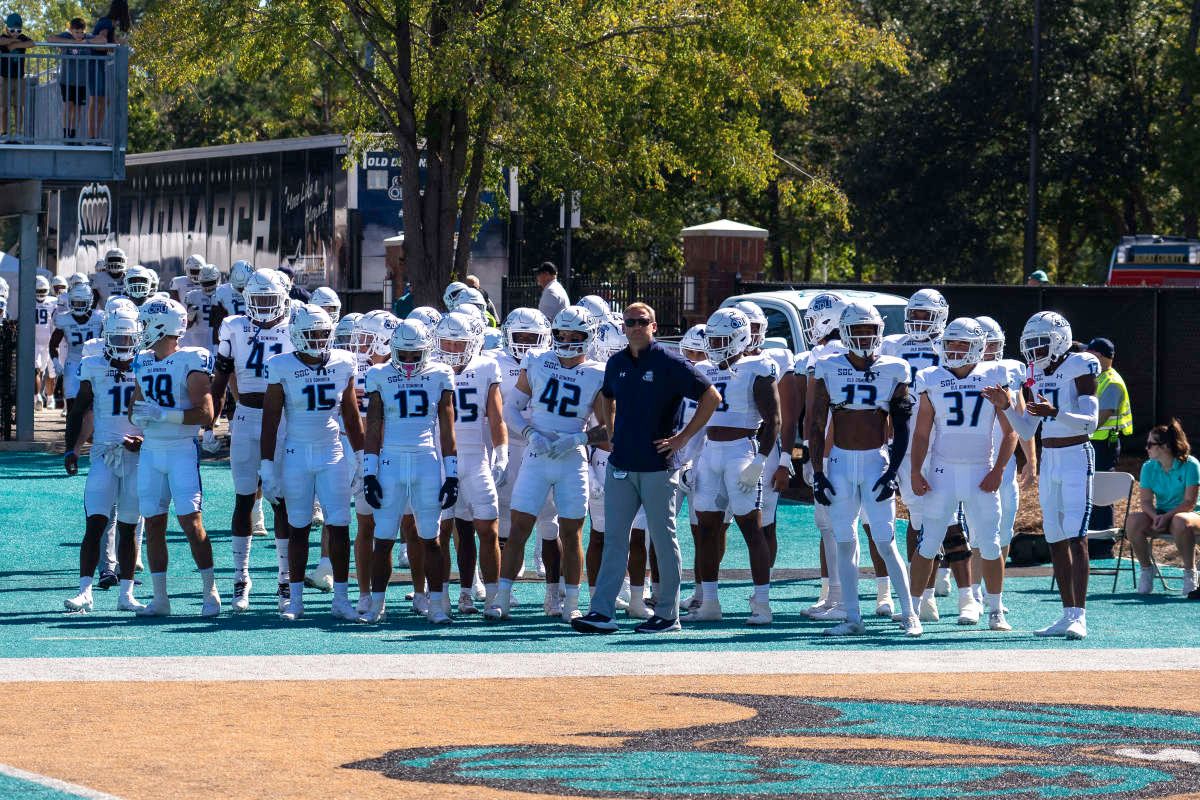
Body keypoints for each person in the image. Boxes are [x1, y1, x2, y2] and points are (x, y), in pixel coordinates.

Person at [572, 302, 720, 634]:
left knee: (663, 540)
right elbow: (605, 396)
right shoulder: (616, 362)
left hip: (657, 465)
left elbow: (711, 396)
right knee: (614, 538)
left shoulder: (669, 361)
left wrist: (682, 439)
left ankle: (668, 614)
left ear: (654, 326)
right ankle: (603, 611)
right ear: (622, 327)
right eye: (630, 322)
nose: (636, 327)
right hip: (622, 463)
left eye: (642, 322)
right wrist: (611, 434)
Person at [484, 305, 607, 623]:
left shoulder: (597, 372)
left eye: (574, 335)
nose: (566, 340)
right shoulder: (537, 361)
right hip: (536, 456)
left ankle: (571, 602)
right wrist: (528, 432)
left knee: (571, 532)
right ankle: (502, 598)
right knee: (519, 528)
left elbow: (609, 428)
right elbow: (511, 409)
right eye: (561, 334)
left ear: (588, 336)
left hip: (571, 460)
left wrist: (578, 439)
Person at [982, 311, 1099, 640]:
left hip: (1077, 454)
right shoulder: (1032, 374)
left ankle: (1080, 616)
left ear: (1060, 339)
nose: (1034, 350)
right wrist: (1007, 406)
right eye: (1029, 344)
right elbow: (1027, 428)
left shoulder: (1081, 363)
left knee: (1077, 534)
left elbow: (1091, 421)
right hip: (1051, 458)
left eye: (1040, 342)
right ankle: (1066, 613)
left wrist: (1056, 412)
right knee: (1055, 536)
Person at [808, 301, 917, 636]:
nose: (866, 336)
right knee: (844, 540)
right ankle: (853, 617)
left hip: (875, 461)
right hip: (840, 461)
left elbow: (902, 427)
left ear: (880, 331)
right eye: (858, 330)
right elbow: (814, 424)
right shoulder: (827, 365)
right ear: (845, 332)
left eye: (871, 329)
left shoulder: (895, 368)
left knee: (886, 541)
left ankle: (910, 614)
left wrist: (893, 472)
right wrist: (818, 472)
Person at [907, 318, 1017, 634]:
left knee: (991, 544)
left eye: (961, 345)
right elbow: (921, 433)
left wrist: (998, 470)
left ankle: (995, 610)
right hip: (943, 471)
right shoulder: (931, 377)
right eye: (950, 343)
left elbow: (1011, 433)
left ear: (979, 348)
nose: (954, 350)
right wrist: (916, 470)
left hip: (981, 470)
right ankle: (913, 612)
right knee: (928, 543)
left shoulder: (995, 375)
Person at [260, 304, 364, 620]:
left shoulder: (344, 361)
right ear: (296, 335)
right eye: (312, 334)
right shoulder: (281, 365)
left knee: (340, 525)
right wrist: (267, 466)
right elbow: (271, 420)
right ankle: (294, 599)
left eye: (323, 333)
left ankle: (342, 599)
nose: (319, 339)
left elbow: (350, 413)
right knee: (299, 527)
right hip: (297, 452)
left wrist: (362, 458)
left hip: (332, 451)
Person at [360, 318, 459, 625]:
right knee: (384, 537)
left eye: (415, 354)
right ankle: (377, 605)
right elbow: (373, 426)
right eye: (404, 353)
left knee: (430, 537)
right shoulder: (378, 374)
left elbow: (447, 426)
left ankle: (438, 604)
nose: (409, 360)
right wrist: (369, 472)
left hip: (426, 460)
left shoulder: (440, 373)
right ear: (393, 349)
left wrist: (452, 472)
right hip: (391, 459)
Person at [685, 307, 779, 625]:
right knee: (707, 529)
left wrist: (761, 461)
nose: (715, 345)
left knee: (752, 529)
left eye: (722, 338)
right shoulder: (705, 369)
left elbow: (774, 420)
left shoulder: (758, 366)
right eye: (712, 339)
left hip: (742, 450)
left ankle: (762, 604)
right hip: (711, 452)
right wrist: (689, 459)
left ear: (740, 338)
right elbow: (697, 421)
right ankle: (709, 601)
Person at [128, 298, 220, 616]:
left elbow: (206, 414)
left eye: (145, 324)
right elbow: (135, 409)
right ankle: (160, 599)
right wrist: (140, 419)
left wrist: (163, 415)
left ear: (162, 325)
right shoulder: (143, 360)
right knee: (153, 524)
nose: (140, 331)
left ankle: (210, 592)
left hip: (181, 450)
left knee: (191, 523)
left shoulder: (190, 360)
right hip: (151, 451)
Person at [211, 270, 294, 612]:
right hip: (245, 416)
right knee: (244, 498)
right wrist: (211, 420)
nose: (262, 307)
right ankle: (241, 577)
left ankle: (286, 579)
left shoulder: (297, 323)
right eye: (256, 300)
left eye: (268, 300)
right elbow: (222, 374)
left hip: (285, 420)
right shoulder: (233, 326)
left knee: (281, 501)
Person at [62, 310, 145, 613]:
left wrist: (147, 441)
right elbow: (79, 410)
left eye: (129, 338)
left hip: (137, 457)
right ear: (106, 338)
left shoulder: (147, 364)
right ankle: (85, 591)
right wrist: (71, 449)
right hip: (102, 455)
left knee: (128, 525)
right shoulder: (92, 365)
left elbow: (158, 411)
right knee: (95, 523)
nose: (124, 343)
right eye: (118, 337)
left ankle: (126, 594)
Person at [429, 311, 506, 615]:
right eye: (445, 342)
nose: (450, 348)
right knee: (441, 531)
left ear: (473, 342)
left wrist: (501, 452)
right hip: (438, 457)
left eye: (457, 342)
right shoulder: (431, 367)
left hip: (475, 458)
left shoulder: (487, 366)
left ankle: (492, 597)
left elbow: (496, 416)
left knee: (488, 528)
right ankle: (445, 596)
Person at [1126, 419, 1199, 596]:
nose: (1147, 448)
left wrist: (1165, 517)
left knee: (1180, 521)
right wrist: (1156, 516)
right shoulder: (1148, 467)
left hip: (1190, 514)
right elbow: (1145, 502)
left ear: (1165, 446)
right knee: (1133, 521)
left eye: (1150, 444)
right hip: (1162, 515)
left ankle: (1190, 573)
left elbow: (1189, 502)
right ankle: (1146, 570)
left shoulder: (1191, 464)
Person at [1086, 337, 1132, 535]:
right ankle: (1093, 536)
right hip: (1096, 442)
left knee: (1101, 491)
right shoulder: (1102, 376)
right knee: (1090, 488)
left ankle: (1103, 540)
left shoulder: (1111, 382)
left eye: (1090, 354)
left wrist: (1081, 429)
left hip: (1103, 444)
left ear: (1098, 355)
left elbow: (1103, 415)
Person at [49, 284, 106, 414]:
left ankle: (90, 431)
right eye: (76, 302)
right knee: (71, 399)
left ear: (89, 301)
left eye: (82, 302)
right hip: (73, 361)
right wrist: (56, 362)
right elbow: (53, 344)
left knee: (95, 400)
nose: (78, 305)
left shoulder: (100, 317)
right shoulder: (64, 318)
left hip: (95, 362)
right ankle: (72, 430)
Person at [87, 0, 130, 139]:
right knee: (97, 100)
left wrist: (118, 44)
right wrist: (114, 47)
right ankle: (93, 136)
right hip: (94, 64)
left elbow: (108, 42)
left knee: (103, 100)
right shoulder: (106, 24)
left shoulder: (108, 23)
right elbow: (100, 43)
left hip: (98, 64)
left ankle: (95, 135)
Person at [48, 19, 92, 141]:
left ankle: (72, 133)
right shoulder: (66, 36)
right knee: (68, 106)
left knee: (78, 109)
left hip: (82, 81)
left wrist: (85, 42)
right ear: (71, 30)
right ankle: (65, 132)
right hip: (66, 80)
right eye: (76, 32)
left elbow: (103, 41)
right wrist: (72, 42)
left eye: (81, 32)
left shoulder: (87, 37)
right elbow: (50, 39)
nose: (79, 35)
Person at [0, 14, 34, 141]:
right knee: (3, 106)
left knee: (18, 106)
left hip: (19, 77)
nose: (16, 33)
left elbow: (32, 43)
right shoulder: (3, 37)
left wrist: (16, 45)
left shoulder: (22, 38)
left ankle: (19, 132)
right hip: (4, 77)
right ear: (7, 29)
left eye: (19, 30)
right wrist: (11, 41)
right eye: (13, 30)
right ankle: (4, 132)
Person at [34, 276, 59, 410]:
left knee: (51, 373)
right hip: (35, 341)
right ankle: (37, 396)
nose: (40, 293)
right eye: (38, 290)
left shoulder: (54, 301)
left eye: (43, 290)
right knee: (36, 370)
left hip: (50, 340)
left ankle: (50, 397)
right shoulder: (28, 300)